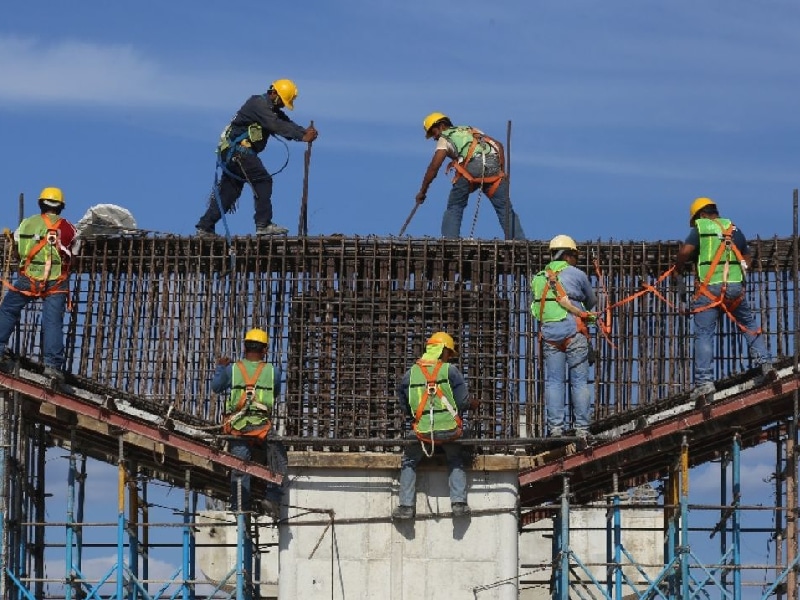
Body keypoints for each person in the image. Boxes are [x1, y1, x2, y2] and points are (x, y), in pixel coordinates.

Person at [674, 197, 776, 401]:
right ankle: (766, 365)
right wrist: (739, 277)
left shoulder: (701, 229)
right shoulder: (734, 230)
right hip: (734, 288)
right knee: (748, 325)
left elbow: (685, 251)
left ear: (701, 215)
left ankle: (704, 383)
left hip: (710, 290)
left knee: (703, 334)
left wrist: (678, 267)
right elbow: (747, 259)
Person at [196, 79, 319, 237]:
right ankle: (263, 224)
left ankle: (205, 227)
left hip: (232, 154)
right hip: (239, 152)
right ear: (274, 93)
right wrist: (302, 137)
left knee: (229, 193)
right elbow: (275, 124)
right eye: (281, 101)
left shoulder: (270, 108)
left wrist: (303, 131)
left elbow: (284, 121)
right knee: (263, 180)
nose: (282, 105)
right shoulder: (258, 104)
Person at [0, 187, 79, 384]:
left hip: (28, 278)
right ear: (61, 206)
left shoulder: (26, 224)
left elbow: (17, 248)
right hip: (56, 281)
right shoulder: (69, 228)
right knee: (52, 322)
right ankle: (52, 367)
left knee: (8, 311)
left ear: (40, 204)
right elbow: (74, 254)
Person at [393, 331, 474, 520]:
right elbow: (463, 402)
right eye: (449, 353)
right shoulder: (451, 371)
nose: (449, 357)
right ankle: (459, 504)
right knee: (455, 458)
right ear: (442, 350)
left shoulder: (409, 375)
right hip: (450, 431)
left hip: (422, 432)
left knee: (409, 461)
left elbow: (405, 406)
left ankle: (406, 507)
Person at [212, 327, 288, 516]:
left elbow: (216, 387)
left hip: (238, 427)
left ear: (244, 348)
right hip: (262, 427)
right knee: (278, 457)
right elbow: (275, 393)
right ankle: (273, 498)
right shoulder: (273, 372)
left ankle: (239, 507)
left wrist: (221, 366)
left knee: (240, 467)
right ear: (265, 351)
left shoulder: (233, 369)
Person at [415, 112, 526, 240]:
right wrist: (501, 171)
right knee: (504, 208)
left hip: (472, 168)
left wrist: (423, 191)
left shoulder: (444, 138)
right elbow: (499, 145)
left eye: (433, 132)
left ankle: (450, 241)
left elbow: (434, 166)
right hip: (494, 167)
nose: (434, 137)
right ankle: (518, 241)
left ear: (441, 125)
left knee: (455, 205)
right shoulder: (470, 130)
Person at [530, 235, 597, 438]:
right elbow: (592, 301)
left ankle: (555, 429)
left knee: (554, 382)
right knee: (579, 381)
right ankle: (582, 429)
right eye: (574, 256)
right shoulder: (576, 274)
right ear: (567, 255)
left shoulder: (538, 278)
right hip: (573, 332)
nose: (576, 260)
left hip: (550, 335)